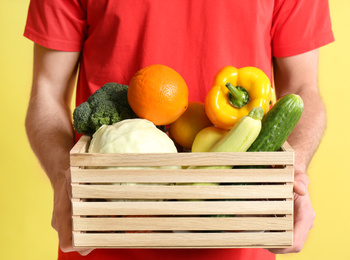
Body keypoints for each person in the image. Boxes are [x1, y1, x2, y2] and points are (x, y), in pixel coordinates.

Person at [24, 0, 334, 259]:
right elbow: (47, 92)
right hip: (103, 238)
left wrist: (295, 172)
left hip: (240, 238)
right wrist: (63, 175)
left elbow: (303, 90)